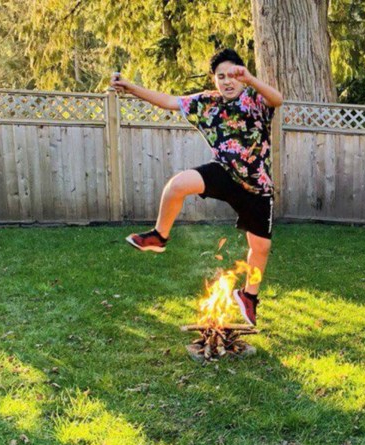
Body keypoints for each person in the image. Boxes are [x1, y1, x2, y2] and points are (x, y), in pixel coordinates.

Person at [111, 49, 283, 326]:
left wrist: (251, 79)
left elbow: (278, 99)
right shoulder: (206, 102)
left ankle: (249, 296)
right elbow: (168, 101)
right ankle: (159, 236)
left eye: (233, 76)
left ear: (242, 75)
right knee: (177, 185)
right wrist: (130, 87)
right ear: (214, 80)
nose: (227, 82)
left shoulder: (254, 98)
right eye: (221, 77)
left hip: (257, 186)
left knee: (260, 248)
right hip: (225, 172)